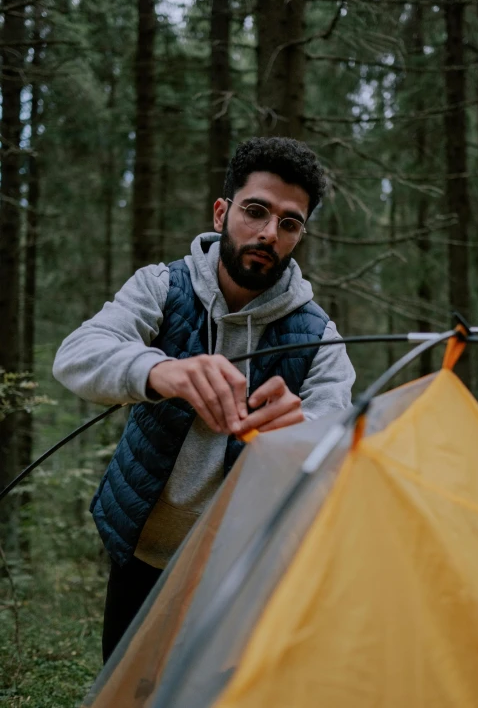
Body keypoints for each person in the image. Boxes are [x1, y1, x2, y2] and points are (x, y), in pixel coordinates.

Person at [53, 136, 355, 662]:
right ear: (222, 212)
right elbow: (78, 355)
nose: (269, 233)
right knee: (128, 690)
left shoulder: (319, 332)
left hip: (241, 566)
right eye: (256, 211)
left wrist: (301, 428)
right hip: (143, 555)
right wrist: (161, 370)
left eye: (289, 223)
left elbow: (340, 435)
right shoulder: (162, 287)